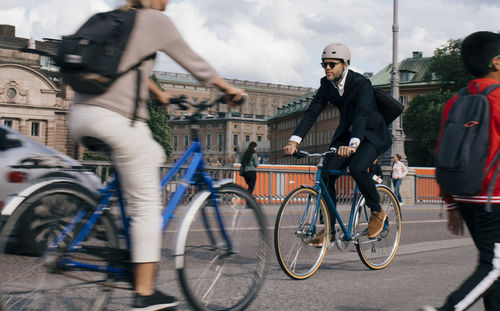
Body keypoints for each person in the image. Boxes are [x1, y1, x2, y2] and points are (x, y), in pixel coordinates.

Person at [68, 0, 245, 310]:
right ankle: (145, 292)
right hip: (116, 119)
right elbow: (194, 63)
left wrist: (159, 94)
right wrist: (228, 88)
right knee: (149, 190)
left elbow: (123, 67)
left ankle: (106, 226)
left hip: (80, 115)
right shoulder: (153, 20)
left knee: (134, 171)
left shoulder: (116, 19)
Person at [418, 31, 500, 311]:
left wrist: (451, 202)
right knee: (495, 267)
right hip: (494, 199)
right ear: (497, 63)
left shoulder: (458, 98)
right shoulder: (499, 98)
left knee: (496, 270)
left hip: (466, 197)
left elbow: (444, 153)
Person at [283, 42, 392, 245]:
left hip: (371, 135)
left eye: (332, 64)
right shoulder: (326, 85)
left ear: (346, 64)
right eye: (324, 64)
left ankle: (377, 211)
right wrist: (294, 140)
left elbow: (362, 114)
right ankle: (329, 231)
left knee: (358, 169)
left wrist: (353, 145)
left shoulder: (361, 84)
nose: (327, 68)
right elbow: (312, 112)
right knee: (326, 175)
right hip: (346, 135)